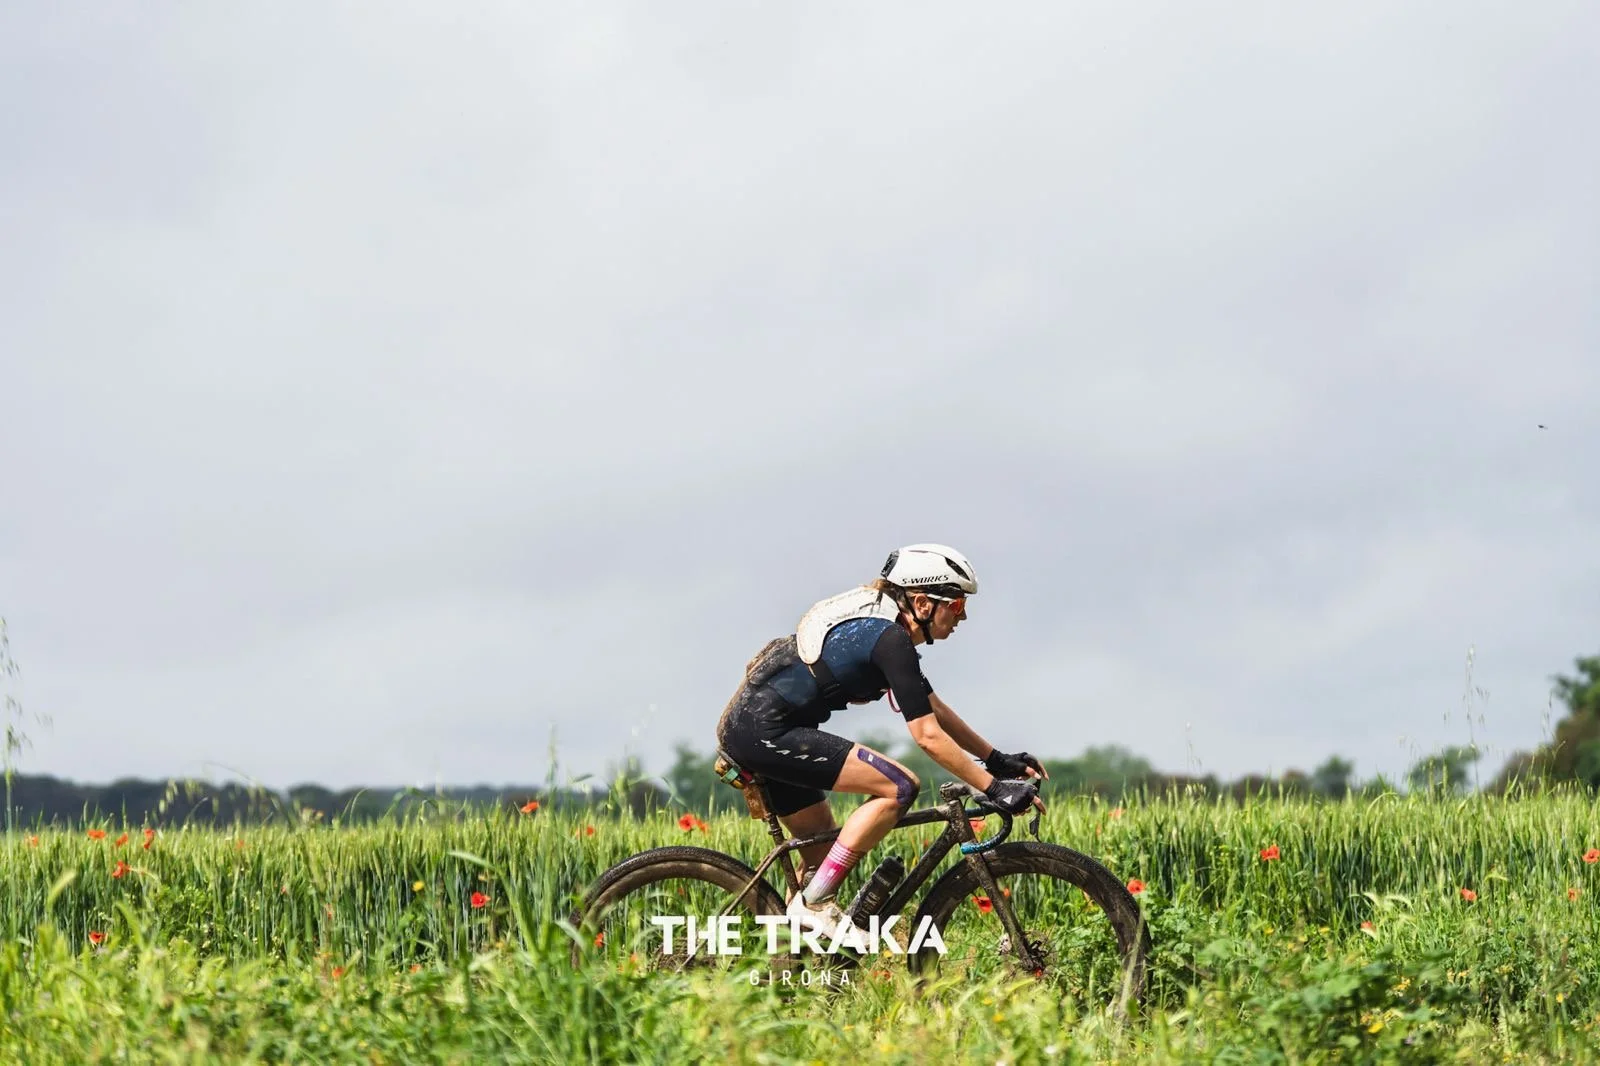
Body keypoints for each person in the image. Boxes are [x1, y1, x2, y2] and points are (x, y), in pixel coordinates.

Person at [715, 544, 1047, 950]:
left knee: (820, 853)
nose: (962, 617)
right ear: (922, 603)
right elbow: (927, 735)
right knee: (900, 786)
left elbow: (934, 709)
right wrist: (993, 789)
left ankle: (787, 964)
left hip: (759, 728)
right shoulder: (890, 639)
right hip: (764, 731)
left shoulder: (884, 630)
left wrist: (997, 761)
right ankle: (814, 905)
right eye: (957, 605)